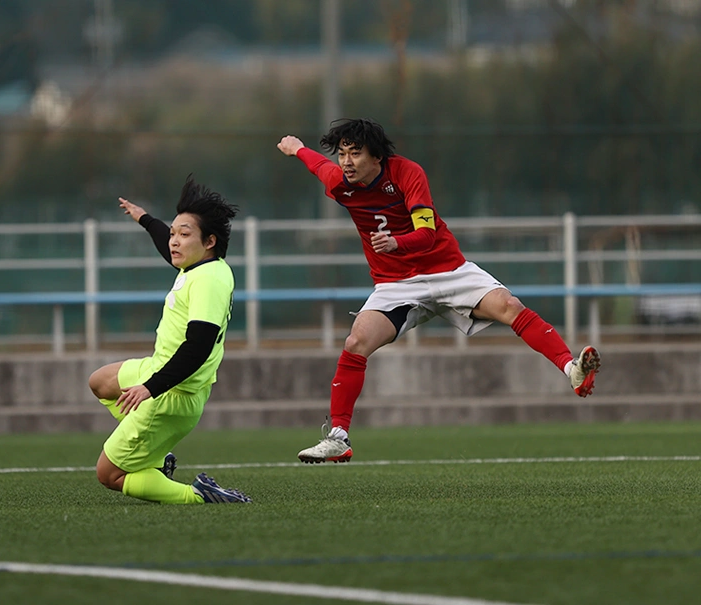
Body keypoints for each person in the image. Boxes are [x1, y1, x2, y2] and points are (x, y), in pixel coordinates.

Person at [277, 118, 601, 464]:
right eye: (342, 154)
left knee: (509, 305)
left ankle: (572, 370)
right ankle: (338, 438)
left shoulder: (407, 173)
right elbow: (319, 166)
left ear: (377, 157)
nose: (346, 162)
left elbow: (427, 233)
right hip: (396, 284)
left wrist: (396, 242)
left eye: (355, 153)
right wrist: (298, 149)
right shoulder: (341, 183)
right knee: (356, 342)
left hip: (448, 271)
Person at [88, 176, 252, 504]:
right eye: (174, 233)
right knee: (101, 382)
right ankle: (158, 457)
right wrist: (145, 219)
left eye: (184, 234)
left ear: (209, 241)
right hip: (160, 370)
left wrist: (150, 388)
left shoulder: (207, 281)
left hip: (172, 393)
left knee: (109, 475)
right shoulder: (203, 265)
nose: (174, 241)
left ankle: (200, 496)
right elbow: (167, 244)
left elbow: (198, 347)